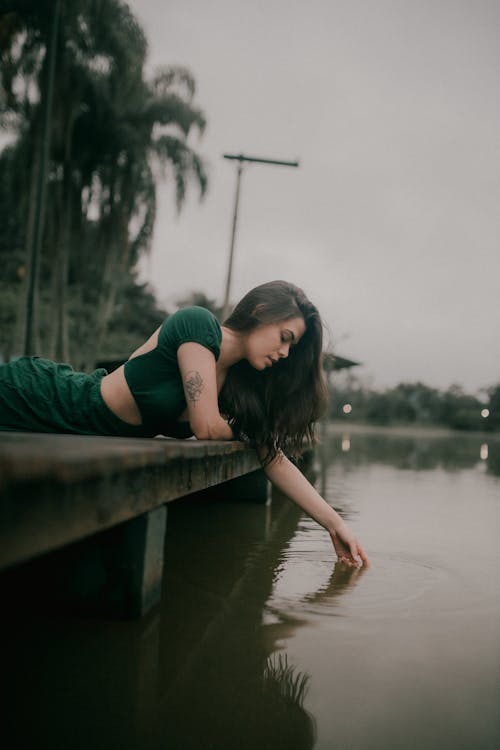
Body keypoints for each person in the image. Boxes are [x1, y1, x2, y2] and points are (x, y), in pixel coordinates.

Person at [0, 280, 368, 566]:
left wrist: (335, 524)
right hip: (40, 396)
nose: (284, 353)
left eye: (292, 348)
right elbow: (207, 426)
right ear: (259, 310)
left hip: (68, 432)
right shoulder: (198, 326)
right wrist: (244, 431)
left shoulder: (236, 385)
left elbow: (271, 456)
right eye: (285, 338)